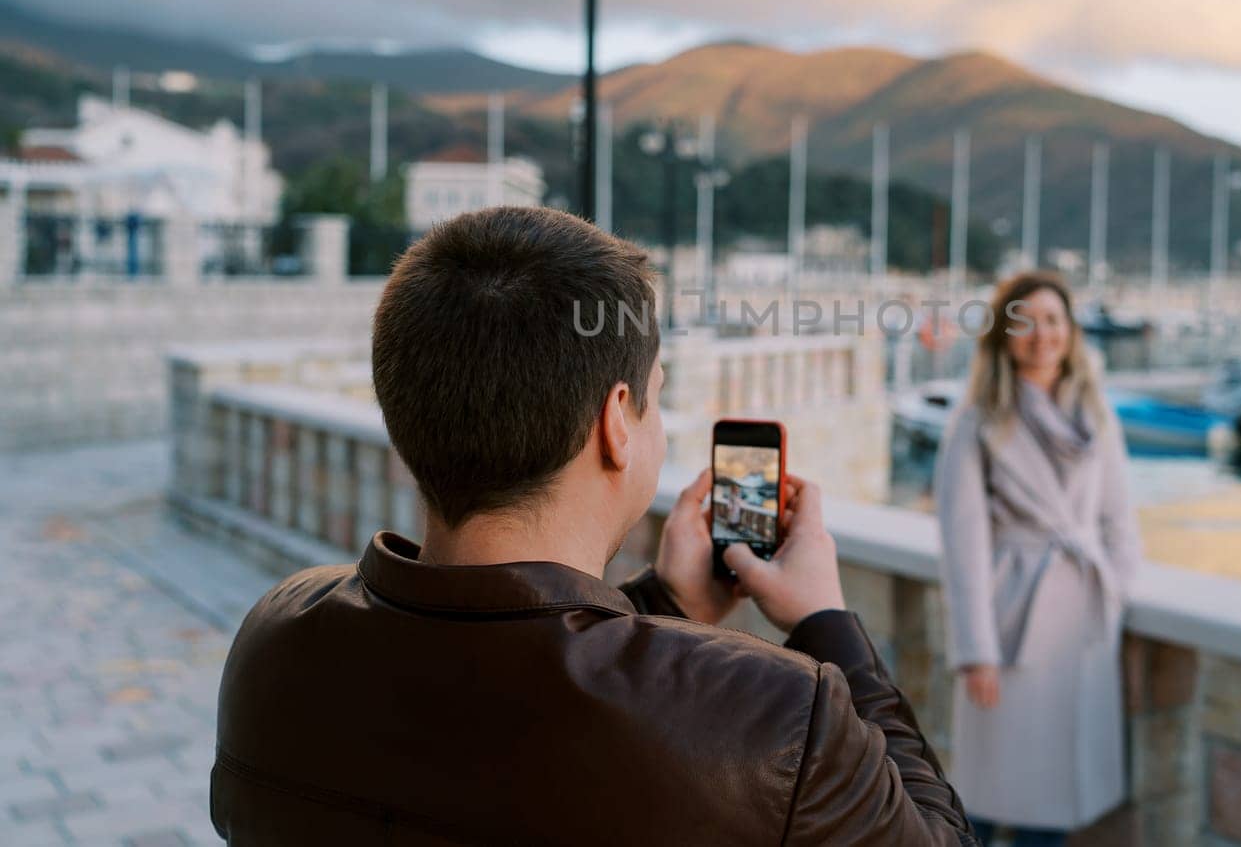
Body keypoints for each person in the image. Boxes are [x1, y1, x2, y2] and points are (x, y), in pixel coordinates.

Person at [211, 206, 976, 846]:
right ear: (616, 421)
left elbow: (505, 668)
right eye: (654, 395)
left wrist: (665, 605)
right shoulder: (781, 717)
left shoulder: (277, 640)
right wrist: (826, 619)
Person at [933, 271, 1142, 845]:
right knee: (991, 797)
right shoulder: (976, 420)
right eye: (1026, 322)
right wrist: (975, 650)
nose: (1042, 334)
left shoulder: (1096, 415)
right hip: (1009, 620)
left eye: (1054, 320)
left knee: (1054, 802)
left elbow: (1119, 520)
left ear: (1071, 332)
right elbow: (963, 542)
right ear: (1004, 335)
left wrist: (1117, 591)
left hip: (1083, 624)